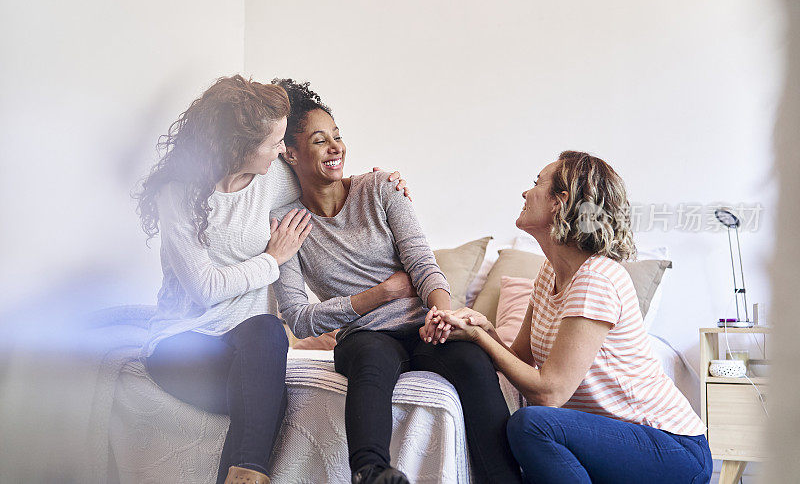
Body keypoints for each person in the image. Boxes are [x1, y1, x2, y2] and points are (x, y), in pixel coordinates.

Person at [135, 75, 412, 484]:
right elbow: (205, 289)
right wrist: (272, 258)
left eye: (284, 141)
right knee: (267, 397)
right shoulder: (179, 194)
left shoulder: (273, 178)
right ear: (238, 147)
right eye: (273, 143)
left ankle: (246, 476)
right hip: (182, 344)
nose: (282, 150)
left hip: (250, 345)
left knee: (266, 332)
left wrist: (384, 184)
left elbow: (329, 177)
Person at [270, 79, 522, 484]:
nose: (336, 148)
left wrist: (442, 313)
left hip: (424, 326)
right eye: (320, 141)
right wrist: (382, 292)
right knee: (371, 361)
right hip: (365, 336)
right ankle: (371, 473)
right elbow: (298, 318)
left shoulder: (382, 188)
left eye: (338, 136)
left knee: (474, 361)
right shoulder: (287, 224)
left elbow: (423, 265)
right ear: (291, 153)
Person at [432, 151, 713, 484]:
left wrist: (481, 339)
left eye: (537, 183)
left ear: (560, 202)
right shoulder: (548, 273)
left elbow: (550, 392)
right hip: (617, 441)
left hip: (671, 449)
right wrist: (484, 328)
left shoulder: (597, 278)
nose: (525, 193)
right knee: (534, 428)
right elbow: (519, 358)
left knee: (533, 424)